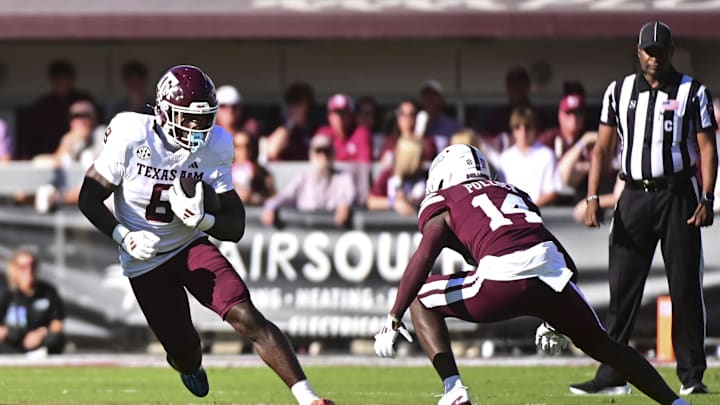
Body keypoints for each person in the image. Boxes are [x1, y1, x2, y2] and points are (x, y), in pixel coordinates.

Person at [77, 65, 334, 405]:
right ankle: (186, 363)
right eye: (188, 118)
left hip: (188, 244)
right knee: (186, 353)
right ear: (165, 112)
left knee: (246, 314)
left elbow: (236, 224)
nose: (198, 127)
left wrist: (204, 220)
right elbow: (88, 197)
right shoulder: (131, 133)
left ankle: (308, 398)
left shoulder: (217, 144)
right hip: (144, 260)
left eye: (204, 117)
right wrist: (124, 237)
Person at [374, 144, 691, 405]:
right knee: (605, 345)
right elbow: (567, 262)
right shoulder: (513, 192)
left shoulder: (445, 200)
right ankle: (676, 403)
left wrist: (394, 316)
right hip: (552, 275)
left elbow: (425, 254)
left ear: (443, 176)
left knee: (420, 298)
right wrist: (555, 320)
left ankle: (453, 388)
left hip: (502, 277)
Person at [570, 21, 717, 396]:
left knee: (684, 286)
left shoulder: (692, 92)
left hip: (677, 194)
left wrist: (706, 197)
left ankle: (692, 375)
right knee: (621, 286)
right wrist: (591, 196)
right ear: (638, 52)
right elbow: (602, 148)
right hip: (633, 194)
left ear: (671, 52)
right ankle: (612, 373)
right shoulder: (618, 92)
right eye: (648, 51)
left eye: (661, 52)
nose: (654, 58)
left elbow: (706, 148)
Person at [261, 134, 355, 228]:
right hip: (306, 230)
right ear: (312, 154)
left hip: (333, 231)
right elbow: (287, 195)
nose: (323, 156)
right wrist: (271, 206)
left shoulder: (343, 178)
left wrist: (345, 206)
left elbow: (349, 196)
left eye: (327, 151)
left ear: (333, 153)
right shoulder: (304, 177)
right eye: (319, 151)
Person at [19, 60, 94, 159]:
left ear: (71, 79)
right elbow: (31, 137)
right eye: (58, 79)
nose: (61, 82)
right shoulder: (44, 105)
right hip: (48, 156)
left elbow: (92, 128)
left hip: (81, 154)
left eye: (64, 78)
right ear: (52, 80)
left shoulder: (83, 100)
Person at [0, 249, 65, 355]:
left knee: (56, 338)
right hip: (11, 344)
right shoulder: (5, 293)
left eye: (32, 265)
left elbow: (57, 324)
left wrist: (41, 333)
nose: (28, 270)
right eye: (23, 267)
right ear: (14, 269)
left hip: (38, 345)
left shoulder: (47, 292)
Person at [538, 84, 599, 195]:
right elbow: (561, 175)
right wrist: (583, 142)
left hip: (587, 196)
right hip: (553, 201)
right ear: (560, 114)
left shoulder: (592, 138)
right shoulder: (548, 138)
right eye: (569, 113)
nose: (574, 118)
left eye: (578, 113)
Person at [499, 106, 561, 207]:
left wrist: (530, 207)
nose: (523, 132)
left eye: (527, 126)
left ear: (535, 128)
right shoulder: (504, 158)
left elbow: (553, 191)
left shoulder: (547, 155)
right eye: (517, 127)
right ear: (513, 130)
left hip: (540, 215)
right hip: (510, 215)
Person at [367, 137, 427, 216]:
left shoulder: (427, 176)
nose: (422, 161)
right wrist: (393, 203)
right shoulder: (388, 175)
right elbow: (371, 202)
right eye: (420, 157)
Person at [264, 81, 317, 161]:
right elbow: (272, 151)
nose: (294, 107)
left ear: (308, 105)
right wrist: (290, 124)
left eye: (298, 102)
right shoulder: (281, 127)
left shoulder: (315, 130)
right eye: (291, 102)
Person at [377, 100, 436, 169]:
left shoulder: (427, 141)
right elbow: (384, 163)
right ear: (398, 118)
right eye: (402, 114)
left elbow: (430, 160)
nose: (407, 118)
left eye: (411, 114)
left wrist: (419, 140)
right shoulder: (391, 141)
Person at [232, 130, 275, 206]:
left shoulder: (262, 174)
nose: (244, 151)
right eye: (239, 147)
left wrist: (254, 197)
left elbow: (272, 198)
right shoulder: (224, 172)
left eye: (247, 146)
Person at [418, 80, 460, 152]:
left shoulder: (451, 126)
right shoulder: (414, 121)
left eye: (432, 96)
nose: (428, 100)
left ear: (441, 99)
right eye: (425, 96)